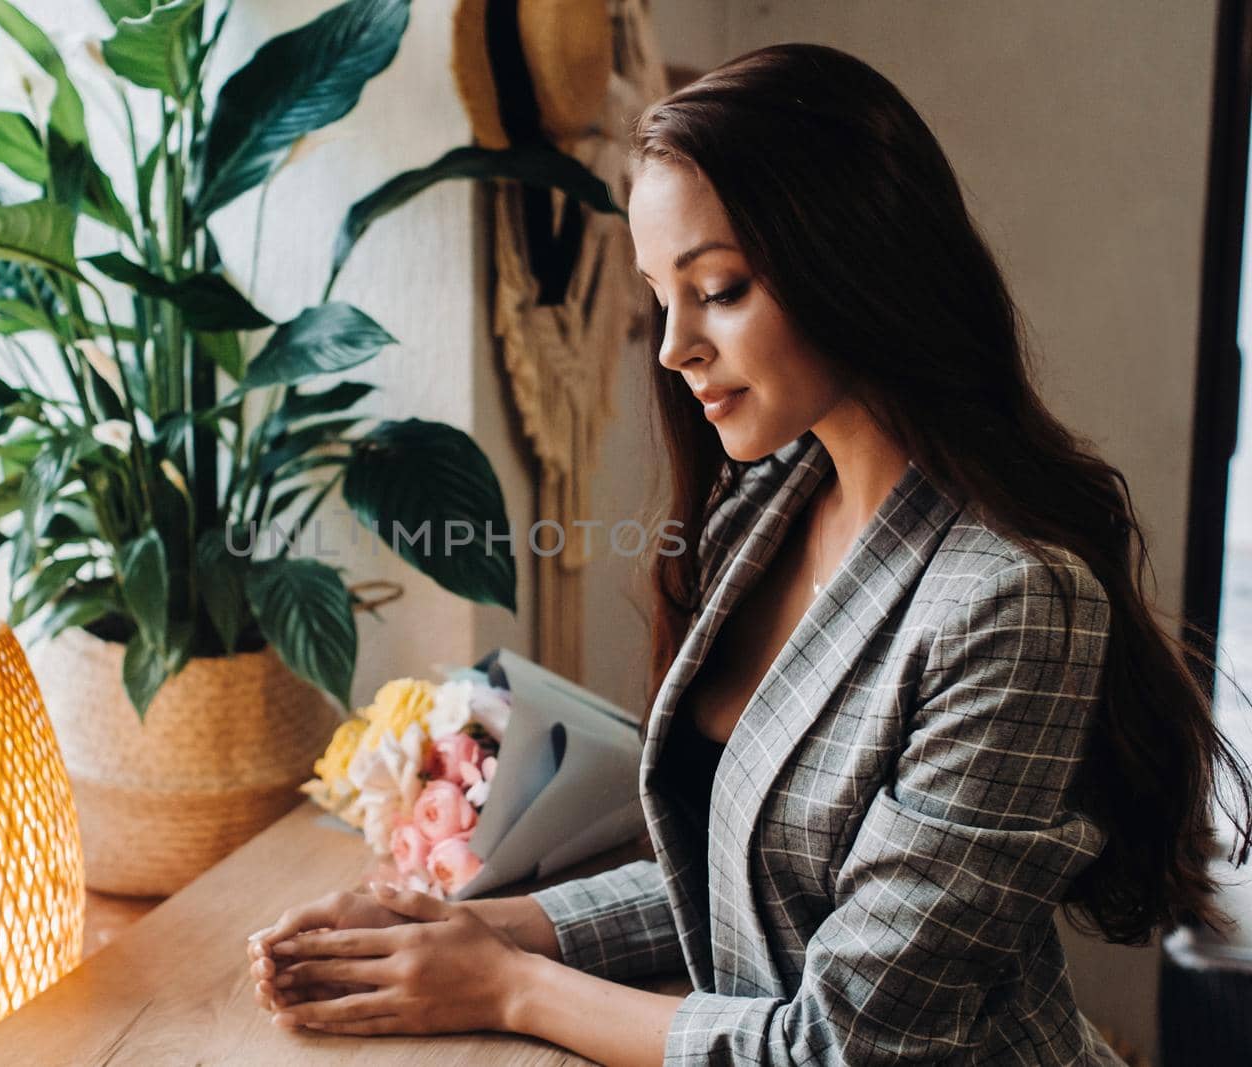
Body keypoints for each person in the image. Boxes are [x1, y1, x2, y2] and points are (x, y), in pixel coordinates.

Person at [244, 43, 1252, 1065]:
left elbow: (847, 1041)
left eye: (718, 287)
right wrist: (478, 929)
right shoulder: (764, 506)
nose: (675, 344)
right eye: (659, 296)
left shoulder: (1011, 600)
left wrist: (509, 986)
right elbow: (751, 875)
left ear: (855, 262)